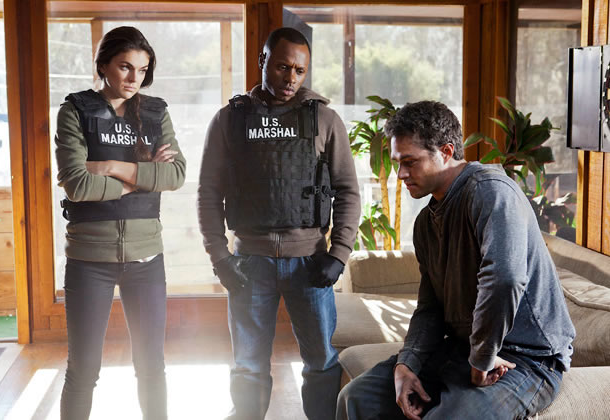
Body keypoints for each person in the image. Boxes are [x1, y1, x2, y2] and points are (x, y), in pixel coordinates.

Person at [336, 101, 576, 420]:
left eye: (410, 162)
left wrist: (481, 358)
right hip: (463, 348)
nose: (401, 174)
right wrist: (407, 364)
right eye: (398, 163)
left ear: (446, 151)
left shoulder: (490, 192)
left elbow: (504, 279)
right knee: (356, 398)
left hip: (528, 359)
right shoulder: (425, 224)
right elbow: (430, 307)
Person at [197, 27, 360, 420]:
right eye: (282, 67)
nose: (291, 78)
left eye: (300, 71)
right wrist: (219, 258)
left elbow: (348, 191)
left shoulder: (325, 119)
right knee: (248, 364)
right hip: (250, 263)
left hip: (311, 263)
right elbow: (207, 193)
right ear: (263, 62)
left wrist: (338, 254)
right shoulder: (230, 120)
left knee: (321, 361)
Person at [55, 26, 186, 419]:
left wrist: (111, 166)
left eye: (142, 70)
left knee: (151, 367)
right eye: (125, 67)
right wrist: (142, 177)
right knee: (83, 370)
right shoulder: (75, 111)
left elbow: (175, 174)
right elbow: (78, 184)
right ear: (103, 66)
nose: (134, 78)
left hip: (147, 260)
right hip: (88, 260)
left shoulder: (156, 113)